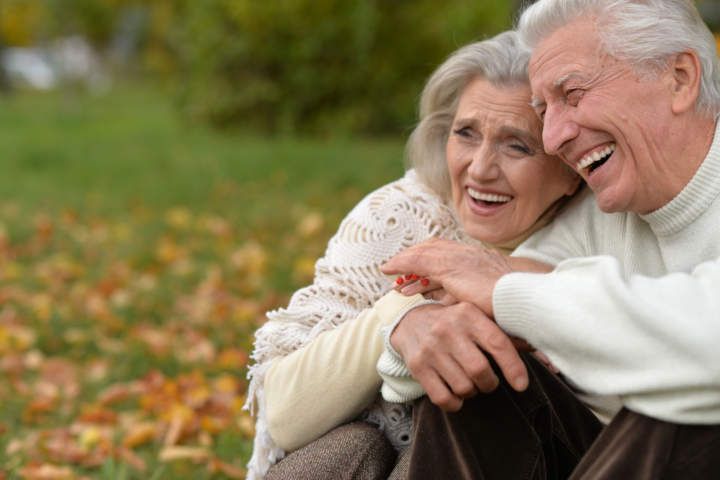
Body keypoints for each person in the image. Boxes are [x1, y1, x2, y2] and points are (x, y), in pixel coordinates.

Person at [381, 0, 720, 477]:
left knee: (684, 394)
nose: (554, 137)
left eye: (573, 94)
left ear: (679, 77)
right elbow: (486, 310)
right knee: (487, 371)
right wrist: (414, 329)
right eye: (544, 111)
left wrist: (506, 292)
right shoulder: (600, 215)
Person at [244, 31, 585, 479]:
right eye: (466, 134)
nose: (480, 168)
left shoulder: (596, 233)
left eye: (517, 145)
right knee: (347, 449)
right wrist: (404, 312)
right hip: (360, 461)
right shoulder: (402, 214)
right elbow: (285, 416)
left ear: (570, 167)